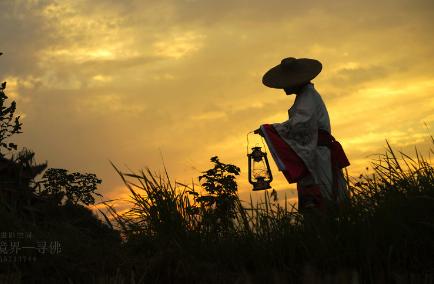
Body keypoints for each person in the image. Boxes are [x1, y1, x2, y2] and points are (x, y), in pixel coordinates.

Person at [254, 57, 350, 214]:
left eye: (287, 82)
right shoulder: (306, 96)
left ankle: (328, 227)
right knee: (318, 195)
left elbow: (300, 124)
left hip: (319, 154)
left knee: (323, 195)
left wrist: (270, 130)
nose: (284, 87)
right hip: (314, 151)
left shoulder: (308, 97)